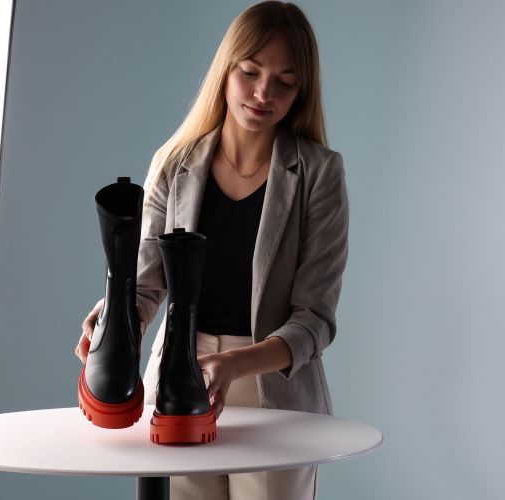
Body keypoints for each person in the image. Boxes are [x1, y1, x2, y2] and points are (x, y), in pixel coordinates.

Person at [75, 1, 348, 498]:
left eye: (285, 82)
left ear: (301, 91)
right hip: (178, 377)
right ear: (226, 68)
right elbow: (147, 283)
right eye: (250, 72)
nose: (264, 93)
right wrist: (116, 318)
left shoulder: (319, 173)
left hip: (272, 386)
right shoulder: (174, 163)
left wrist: (236, 365)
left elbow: (316, 319)